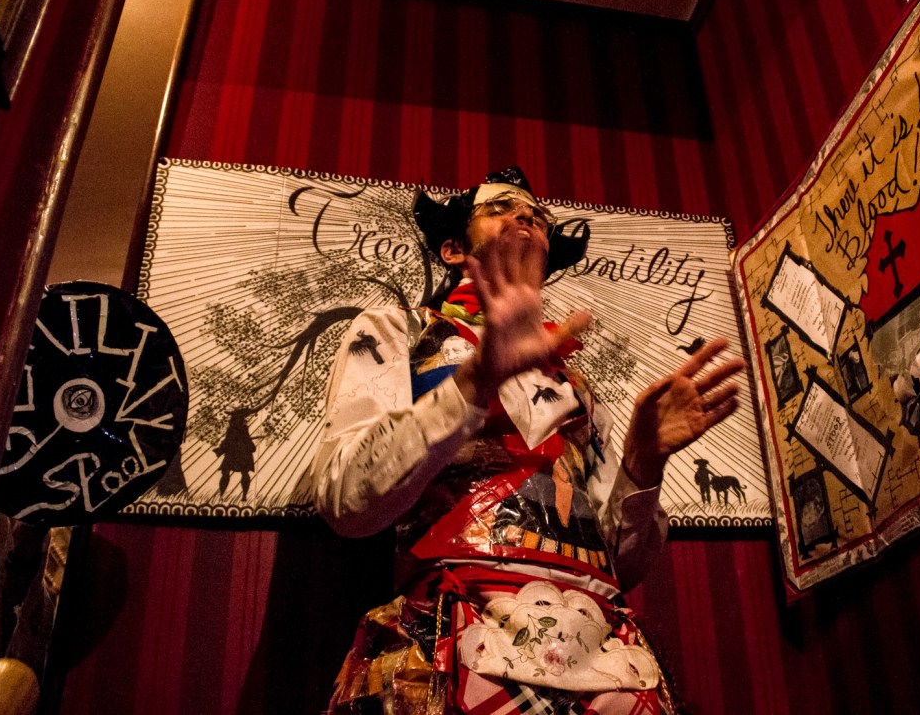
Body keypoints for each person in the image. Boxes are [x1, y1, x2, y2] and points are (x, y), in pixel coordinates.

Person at [311, 167, 744, 714]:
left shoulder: (577, 387)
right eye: (499, 208)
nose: (526, 216)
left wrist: (643, 463)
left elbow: (625, 568)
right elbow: (345, 500)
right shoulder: (399, 333)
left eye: (539, 216)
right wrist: (474, 381)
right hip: (452, 633)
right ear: (452, 249)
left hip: (601, 656)